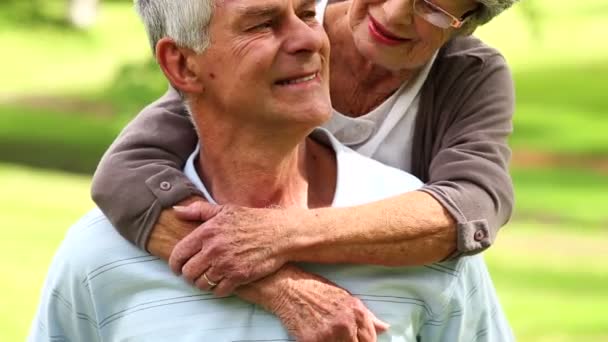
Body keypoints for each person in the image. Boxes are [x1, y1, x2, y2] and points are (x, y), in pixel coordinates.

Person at [30, 0, 513, 340]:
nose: (392, 13)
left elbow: (472, 206)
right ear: (183, 67)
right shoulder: (96, 255)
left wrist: (276, 235)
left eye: (433, 7)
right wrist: (279, 285)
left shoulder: (467, 77)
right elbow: (121, 175)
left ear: (464, 22)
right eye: (263, 23)